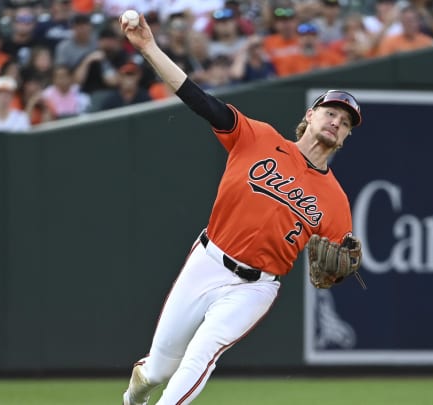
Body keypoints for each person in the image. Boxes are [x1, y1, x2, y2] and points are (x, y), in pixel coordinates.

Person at [119, 12, 363, 405]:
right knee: (159, 370)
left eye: (346, 122)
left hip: (256, 287)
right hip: (207, 260)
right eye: (331, 112)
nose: (336, 121)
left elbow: (340, 263)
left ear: (347, 137)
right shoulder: (257, 137)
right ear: (309, 115)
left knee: (202, 355)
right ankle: (136, 390)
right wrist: (149, 48)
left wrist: (340, 272)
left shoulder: (336, 201)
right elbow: (198, 98)